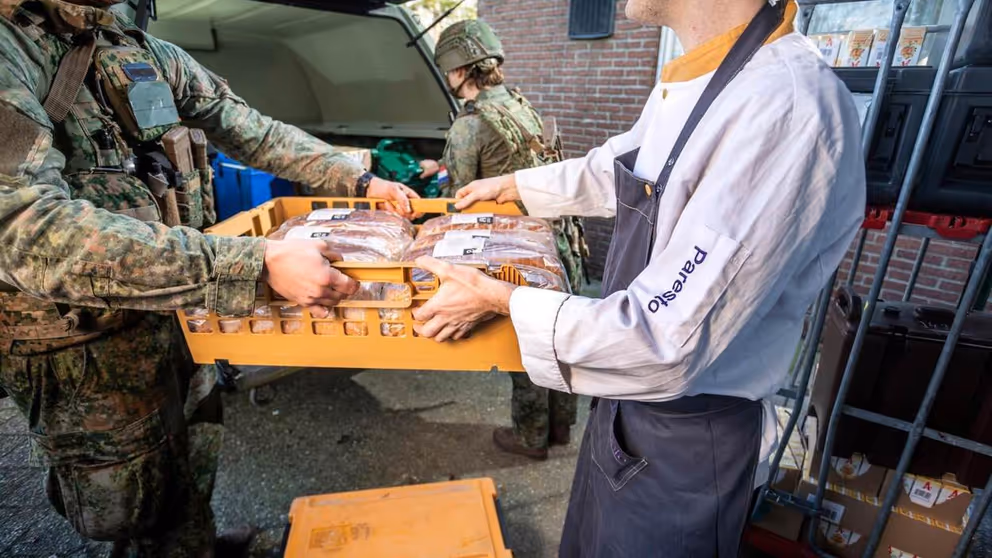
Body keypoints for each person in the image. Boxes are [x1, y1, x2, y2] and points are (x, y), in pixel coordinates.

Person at [411, 0, 867, 555]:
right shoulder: (700, 75)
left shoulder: (786, 108)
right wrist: (514, 186)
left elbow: (663, 339)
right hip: (625, 408)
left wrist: (503, 298)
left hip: (686, 432)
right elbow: (621, 165)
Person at [0, 0, 417, 554]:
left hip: (179, 306)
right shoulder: (12, 50)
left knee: (195, 448)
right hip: (81, 340)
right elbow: (24, 228)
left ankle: (195, 545)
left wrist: (358, 180)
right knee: (128, 500)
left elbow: (252, 130)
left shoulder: (138, 48)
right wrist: (252, 264)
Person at [418, 19, 584, 460]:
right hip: (554, 241)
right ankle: (560, 427)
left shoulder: (468, 124)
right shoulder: (515, 104)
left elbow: (463, 192)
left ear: (457, 70)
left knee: (525, 343)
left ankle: (530, 438)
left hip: (513, 247)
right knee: (557, 335)